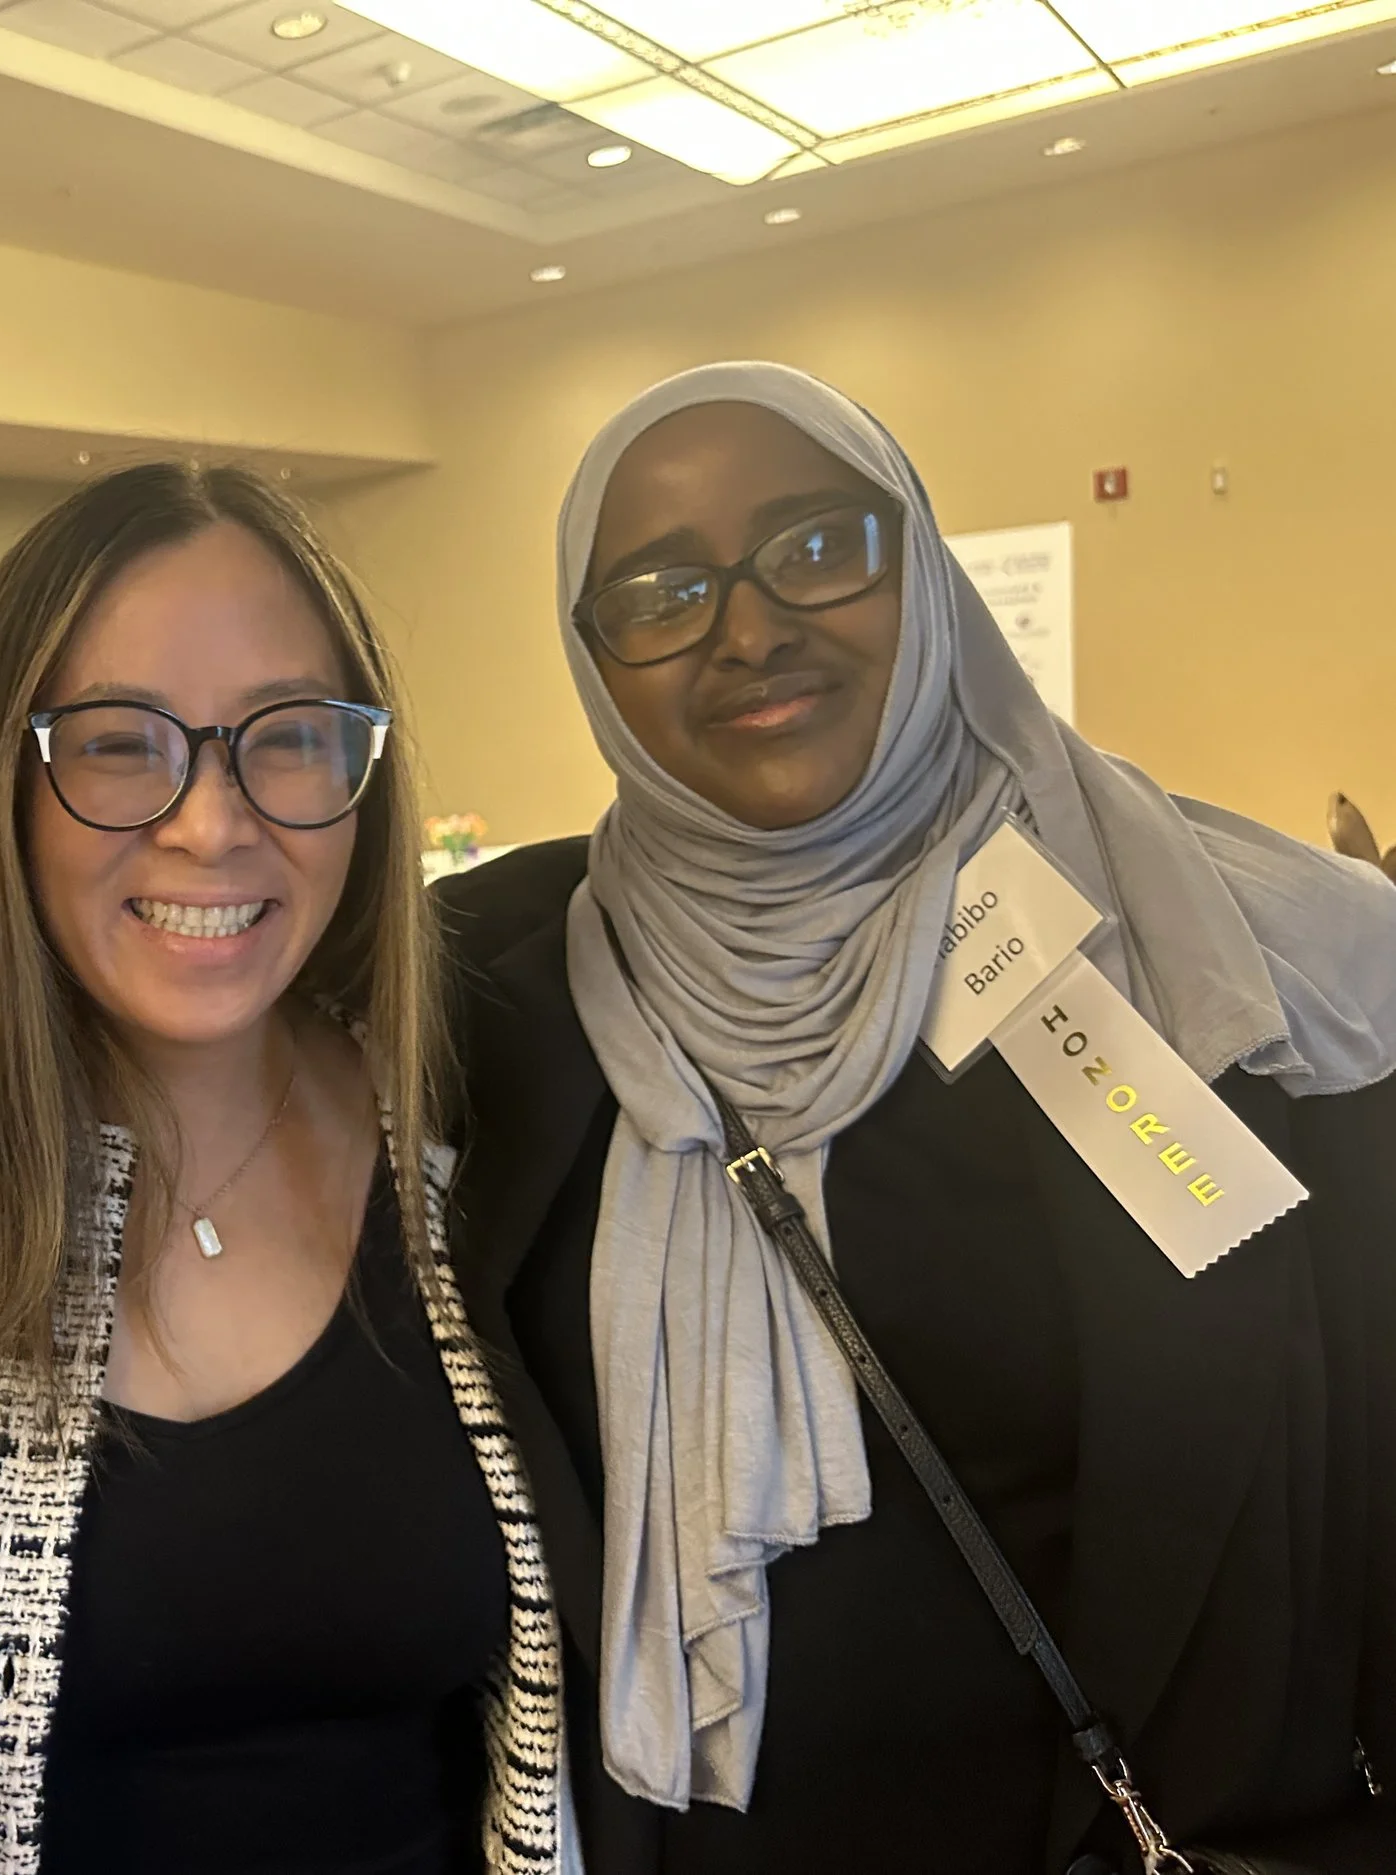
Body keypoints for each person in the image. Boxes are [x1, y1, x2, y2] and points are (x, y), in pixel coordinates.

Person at [438, 361, 1396, 1872]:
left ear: (926, 567)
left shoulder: (1224, 963)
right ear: (594, 659)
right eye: (661, 591)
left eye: (820, 545)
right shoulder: (491, 998)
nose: (750, 627)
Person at [0, 463, 566, 1874]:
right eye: (115, 741)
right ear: (0, 774)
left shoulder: (460, 1123)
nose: (211, 822)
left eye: (286, 737)